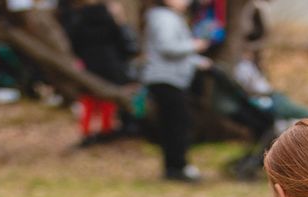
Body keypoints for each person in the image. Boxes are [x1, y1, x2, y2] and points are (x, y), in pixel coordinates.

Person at [143, 0, 209, 182]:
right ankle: (178, 167)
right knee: (178, 124)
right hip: (165, 79)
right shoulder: (164, 17)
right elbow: (167, 47)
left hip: (171, 78)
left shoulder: (168, 17)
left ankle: (175, 166)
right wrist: (194, 46)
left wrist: (196, 61)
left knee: (174, 123)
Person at [65, 0, 137, 145]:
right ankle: (106, 129)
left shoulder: (79, 19)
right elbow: (121, 43)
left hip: (89, 65)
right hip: (110, 65)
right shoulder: (109, 20)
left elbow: (73, 42)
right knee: (107, 99)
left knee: (88, 100)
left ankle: (86, 131)